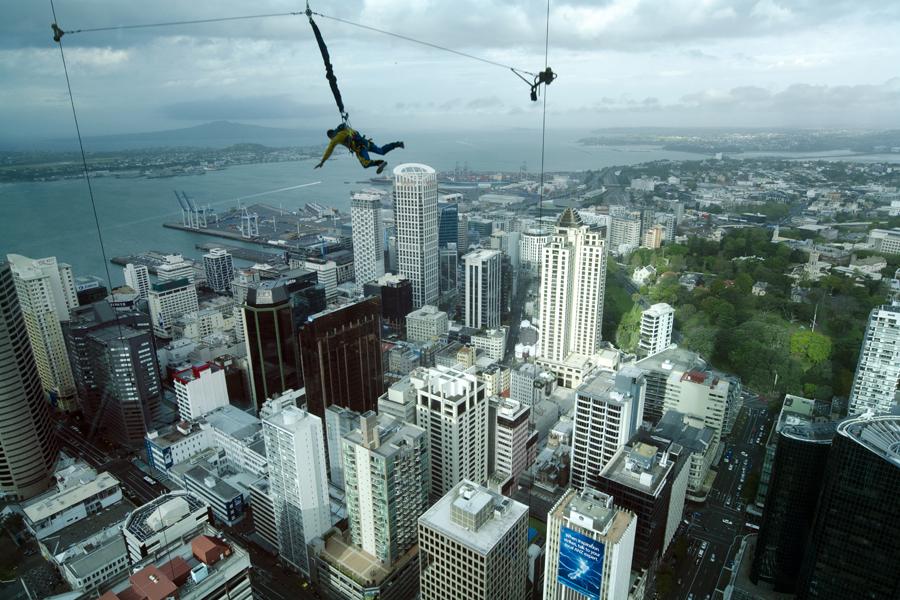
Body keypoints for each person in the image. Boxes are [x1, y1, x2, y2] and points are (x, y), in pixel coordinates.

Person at [315, 123, 404, 174]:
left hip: (360, 148)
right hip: (366, 142)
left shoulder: (335, 139)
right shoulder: (345, 128)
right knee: (381, 151)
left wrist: (322, 162)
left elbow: (329, 151)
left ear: (330, 137)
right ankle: (397, 144)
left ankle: (380, 163)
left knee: (366, 164)